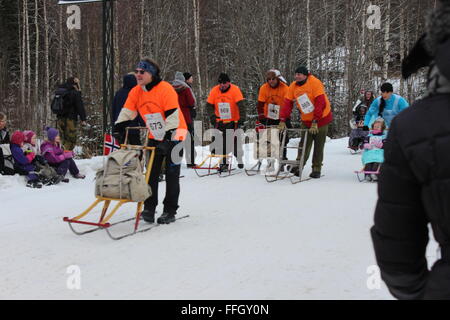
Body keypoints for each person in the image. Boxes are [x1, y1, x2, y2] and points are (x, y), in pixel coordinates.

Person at [371, 0, 450, 299]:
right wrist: (368, 123)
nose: (384, 95)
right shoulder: (379, 103)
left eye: (386, 91)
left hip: (405, 136)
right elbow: (367, 115)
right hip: (392, 133)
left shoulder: (405, 108)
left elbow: (397, 249)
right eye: (383, 92)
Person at [114, 58, 187, 225]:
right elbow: (127, 112)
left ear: (151, 74)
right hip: (156, 134)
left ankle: (170, 210)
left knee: (172, 173)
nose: (138, 74)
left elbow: (173, 116)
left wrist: (168, 139)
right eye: (137, 71)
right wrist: (118, 127)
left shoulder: (165, 89)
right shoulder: (136, 91)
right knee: (152, 173)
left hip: (176, 134)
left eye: (142, 72)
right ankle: (149, 208)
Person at [279, 66, 333, 179]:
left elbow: (320, 103)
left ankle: (316, 169)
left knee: (318, 145)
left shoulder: (315, 83)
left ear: (305, 75)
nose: (297, 76)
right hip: (306, 119)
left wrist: (315, 121)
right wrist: (283, 119)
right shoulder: (293, 86)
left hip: (321, 119)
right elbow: (287, 103)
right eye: (296, 74)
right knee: (304, 144)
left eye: (299, 74)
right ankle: (299, 166)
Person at [206, 73, 247, 171]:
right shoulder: (214, 90)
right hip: (220, 121)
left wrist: (242, 118)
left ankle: (239, 157)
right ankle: (224, 163)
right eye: (220, 83)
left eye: (224, 83)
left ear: (229, 82)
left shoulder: (235, 90)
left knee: (235, 143)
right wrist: (212, 116)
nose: (222, 85)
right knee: (219, 142)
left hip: (233, 121)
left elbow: (241, 106)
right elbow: (209, 105)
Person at [256, 69, 290, 160]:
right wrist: (261, 115)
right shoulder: (264, 87)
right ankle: (269, 159)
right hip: (269, 116)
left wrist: (284, 119)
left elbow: (288, 105)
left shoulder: (285, 88)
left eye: (273, 79)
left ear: (278, 79)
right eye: (269, 79)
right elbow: (260, 103)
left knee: (283, 139)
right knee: (268, 138)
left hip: (282, 116)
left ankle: (283, 158)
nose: (271, 81)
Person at [171, 71, 197, 167]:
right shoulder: (186, 89)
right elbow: (191, 102)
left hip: (175, 117)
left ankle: (176, 161)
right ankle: (190, 162)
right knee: (190, 140)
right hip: (186, 117)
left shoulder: (171, 88)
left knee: (178, 140)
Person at [111, 73, 144, 145]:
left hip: (120, 126)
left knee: (121, 148)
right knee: (136, 148)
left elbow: (113, 110)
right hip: (132, 126)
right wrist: (143, 123)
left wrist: (114, 126)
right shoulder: (135, 94)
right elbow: (139, 110)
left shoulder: (118, 93)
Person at [56, 77, 87, 151]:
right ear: (74, 84)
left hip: (59, 119)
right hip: (70, 119)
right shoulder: (74, 93)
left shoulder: (60, 91)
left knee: (62, 139)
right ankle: (65, 156)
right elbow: (80, 106)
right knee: (71, 140)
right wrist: (83, 119)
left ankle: (60, 155)